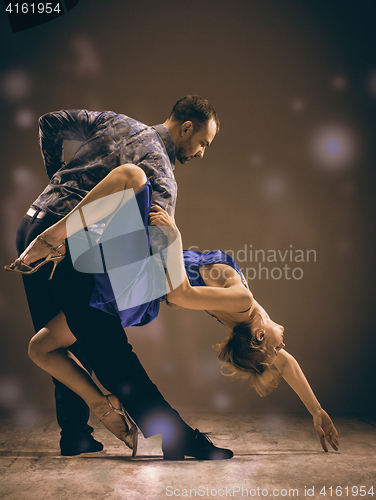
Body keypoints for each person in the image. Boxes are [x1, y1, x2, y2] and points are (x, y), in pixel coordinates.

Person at [9, 165, 339, 454]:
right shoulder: (246, 318)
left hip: (137, 277)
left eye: (274, 348)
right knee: (40, 348)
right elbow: (288, 364)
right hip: (134, 293)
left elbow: (181, 294)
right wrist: (317, 410)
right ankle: (101, 404)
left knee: (130, 176)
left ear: (259, 335)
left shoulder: (243, 303)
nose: (282, 348)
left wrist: (174, 236)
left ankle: (51, 237)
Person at [5, 96, 234, 460]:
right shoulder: (161, 173)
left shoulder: (113, 122)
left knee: (57, 337)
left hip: (32, 224)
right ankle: (174, 436)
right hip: (71, 248)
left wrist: (58, 180)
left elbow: (50, 121)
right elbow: (155, 250)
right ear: (187, 127)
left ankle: (75, 434)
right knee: (110, 349)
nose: (201, 152)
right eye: (203, 142)